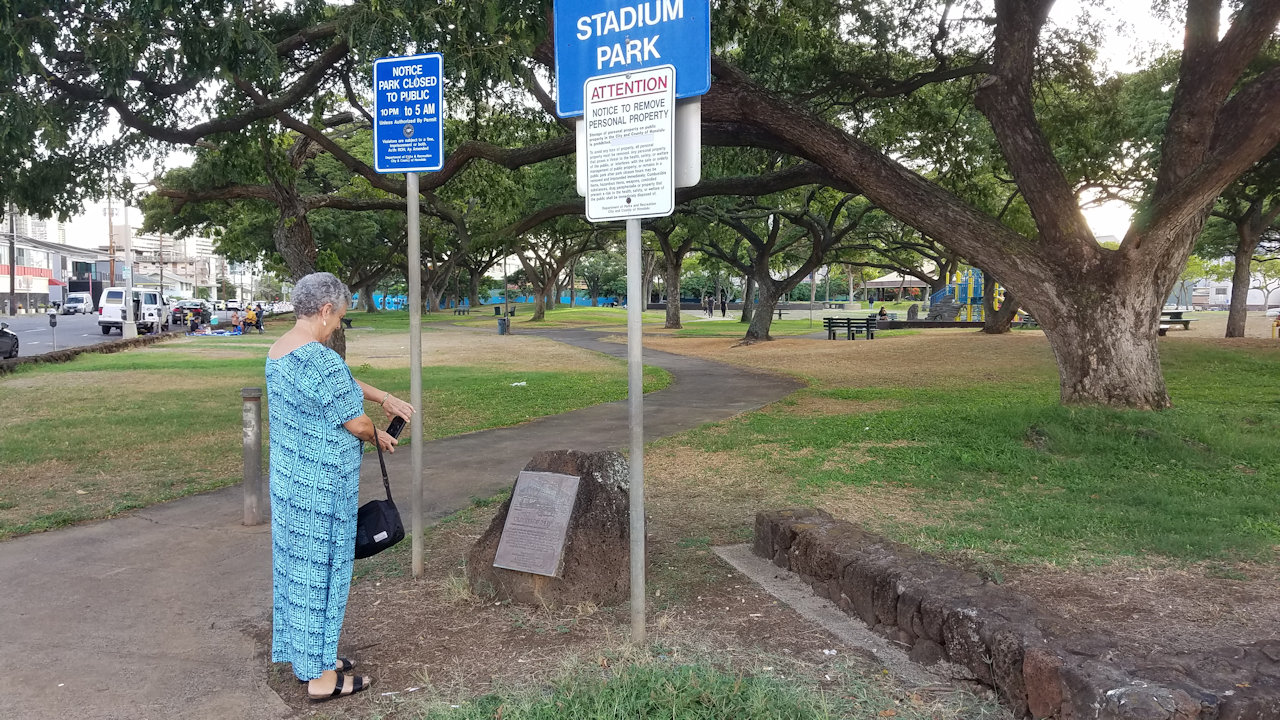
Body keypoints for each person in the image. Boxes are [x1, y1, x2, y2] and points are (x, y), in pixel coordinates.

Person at [264, 272, 414, 701]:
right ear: (326, 310)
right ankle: (321, 680)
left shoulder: (281, 350)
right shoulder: (319, 359)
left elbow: (339, 383)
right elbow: (357, 422)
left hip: (291, 485)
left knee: (298, 575)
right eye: (339, 318)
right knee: (323, 577)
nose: (336, 327)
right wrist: (378, 435)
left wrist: (383, 397)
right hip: (322, 490)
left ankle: (311, 659)